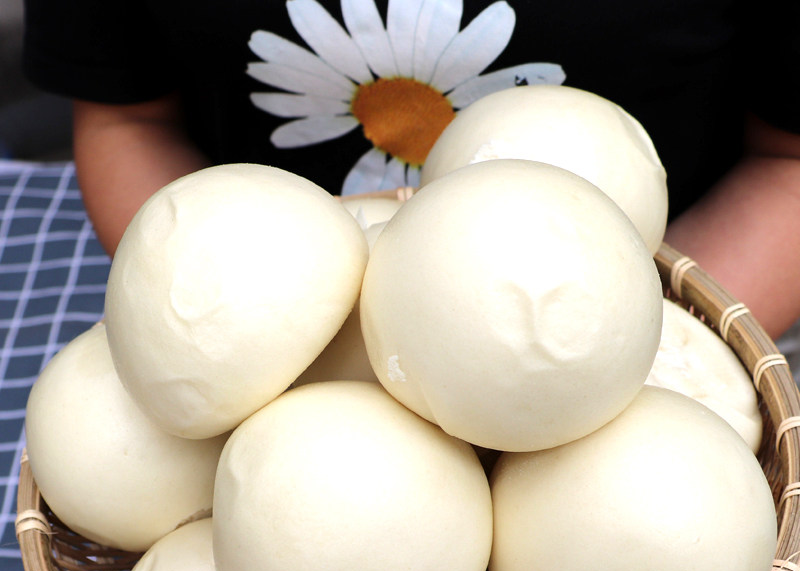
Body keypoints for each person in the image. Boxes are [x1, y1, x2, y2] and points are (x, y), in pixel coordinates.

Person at [20, 0, 800, 340]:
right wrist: (220, 341)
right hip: (264, 324)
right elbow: (129, 115)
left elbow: (786, 160)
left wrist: (645, 360)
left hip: (667, 296)